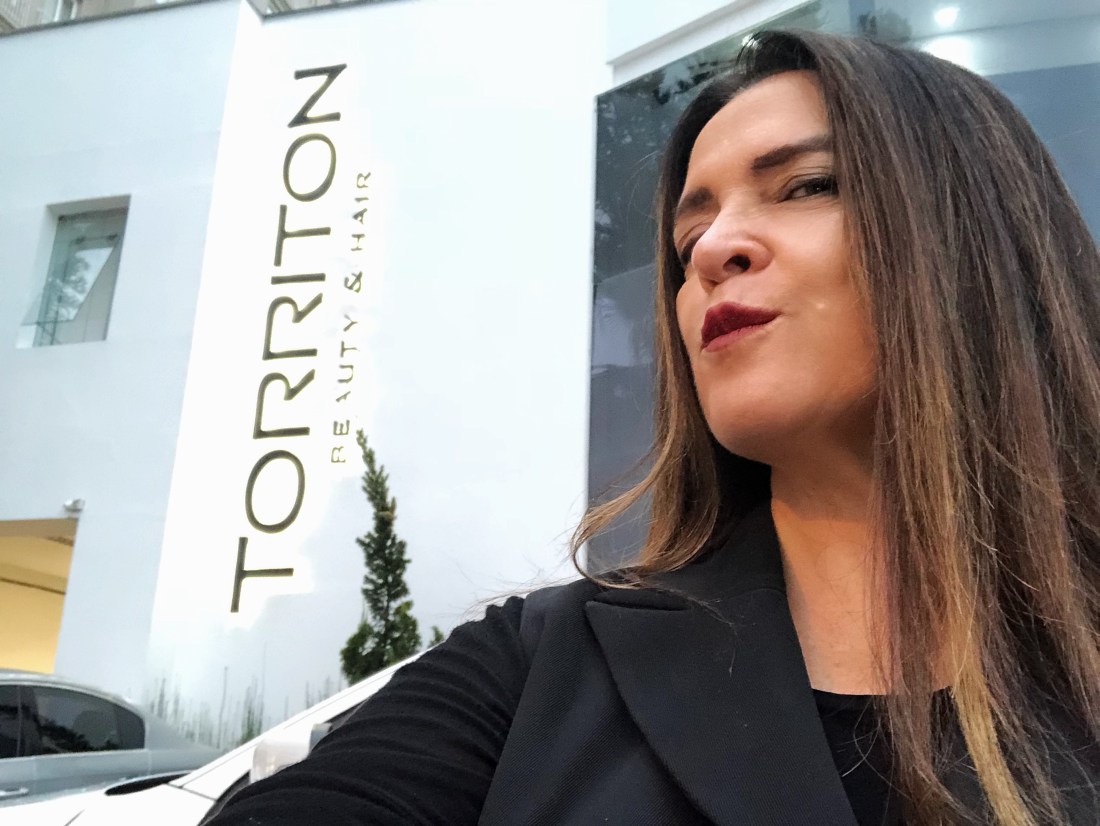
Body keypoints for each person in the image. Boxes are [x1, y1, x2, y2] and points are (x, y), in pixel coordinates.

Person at [207, 29, 1100, 825]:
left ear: (977, 237)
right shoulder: (539, 668)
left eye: (806, 186)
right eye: (687, 238)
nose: (711, 251)